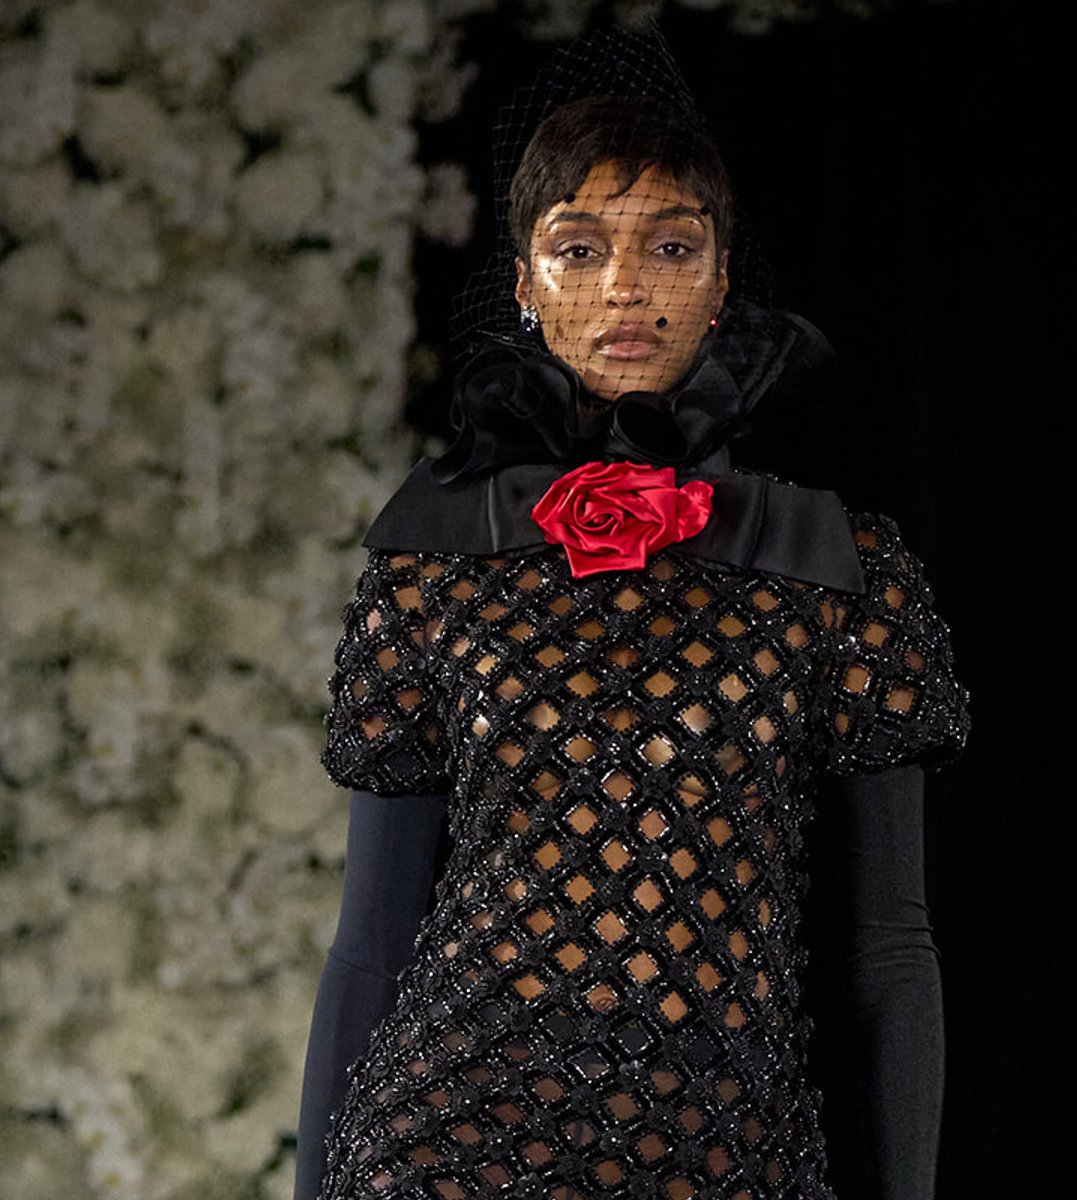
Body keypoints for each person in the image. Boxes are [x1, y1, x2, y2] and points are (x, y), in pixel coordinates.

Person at [294, 33, 970, 1200]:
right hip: (447, 1146)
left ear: (719, 282)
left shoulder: (832, 564)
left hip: (723, 1154)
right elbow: (368, 945)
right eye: (578, 247)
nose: (624, 287)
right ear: (523, 283)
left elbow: (888, 951)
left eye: (670, 246)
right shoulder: (439, 551)